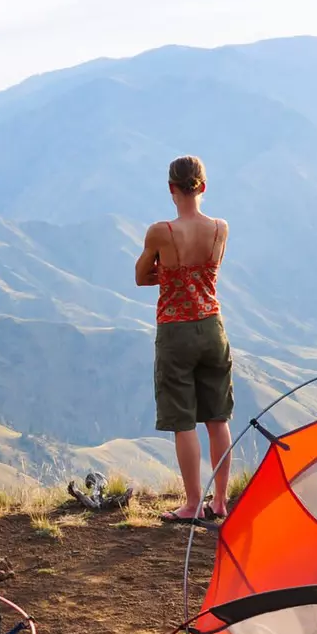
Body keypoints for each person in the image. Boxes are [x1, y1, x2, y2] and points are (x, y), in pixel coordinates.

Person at [135, 155, 234, 522]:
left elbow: (141, 276)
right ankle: (220, 503)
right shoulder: (220, 228)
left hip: (176, 330)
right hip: (212, 326)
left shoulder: (161, 232)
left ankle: (192, 504)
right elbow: (210, 271)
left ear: (171, 189)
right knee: (218, 418)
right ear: (203, 187)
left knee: (183, 421)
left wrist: (168, 272)